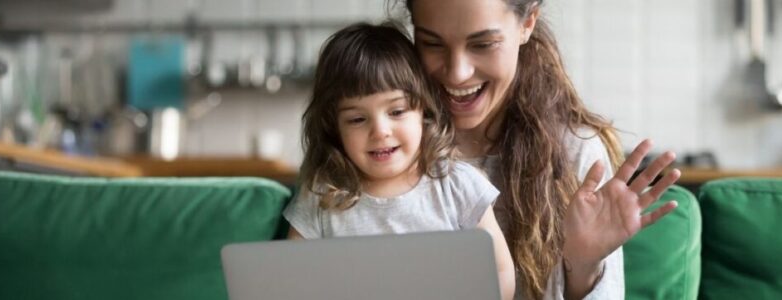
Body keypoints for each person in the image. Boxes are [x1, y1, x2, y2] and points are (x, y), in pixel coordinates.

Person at [395, 0, 682, 299]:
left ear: (527, 23)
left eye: (483, 44)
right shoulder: (384, 148)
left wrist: (582, 267)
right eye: (431, 43)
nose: (457, 73)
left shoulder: (574, 152)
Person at [282, 22, 516, 299]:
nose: (380, 131)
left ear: (423, 111)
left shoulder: (458, 185)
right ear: (335, 128)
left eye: (396, 111)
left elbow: (499, 270)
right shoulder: (322, 195)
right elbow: (292, 281)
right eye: (357, 119)